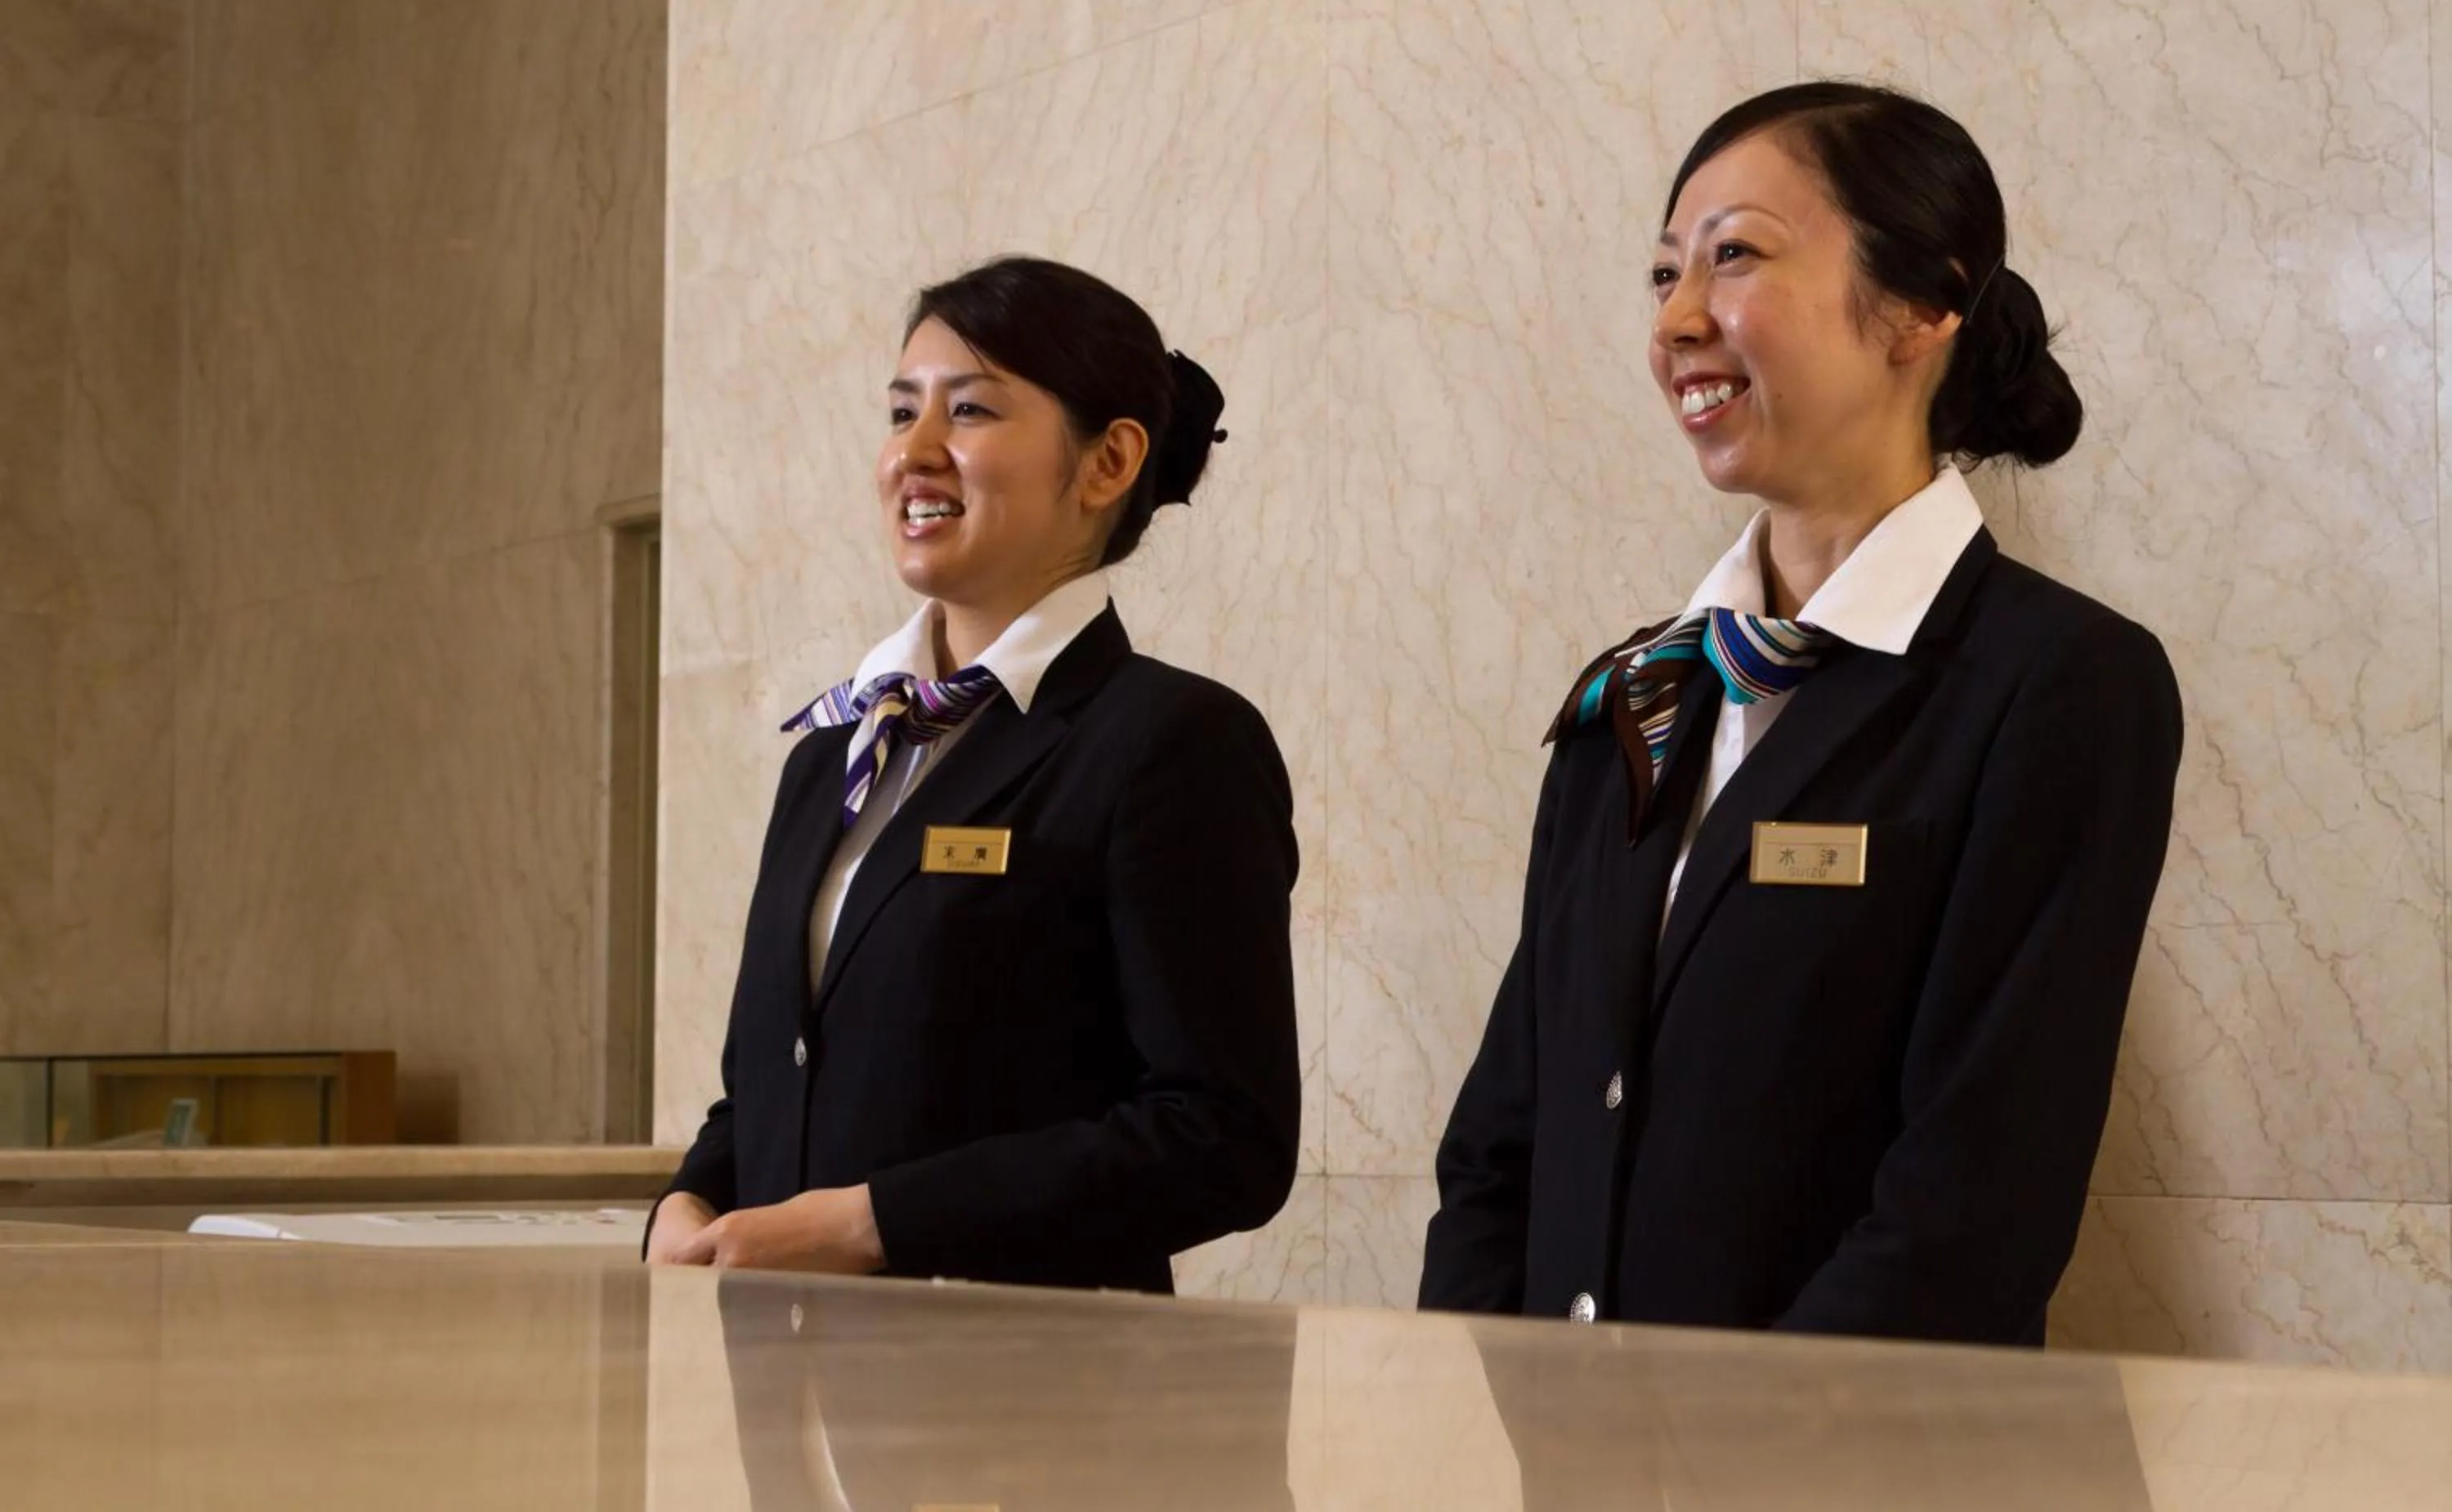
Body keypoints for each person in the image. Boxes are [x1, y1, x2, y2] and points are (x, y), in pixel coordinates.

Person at [1418, 82, 2184, 1345]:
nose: (1676, 318)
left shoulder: (2058, 683)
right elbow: (1506, 1141)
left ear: (1923, 303)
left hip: (1848, 1442)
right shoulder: (1640, 687)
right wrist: (1473, 1397)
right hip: (1564, 1436)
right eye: (1664, 271)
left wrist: (1740, 1441)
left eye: (1733, 256)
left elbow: (1977, 1208)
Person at [648, 255, 1300, 1291]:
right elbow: (780, 1081)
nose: (913, 452)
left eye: (970, 410)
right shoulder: (834, 752)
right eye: (900, 411)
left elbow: (1222, 1136)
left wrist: (877, 1223)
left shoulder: (1169, 741)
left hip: (1025, 1378)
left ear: (1108, 461)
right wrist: (691, 1196)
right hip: (791, 1371)